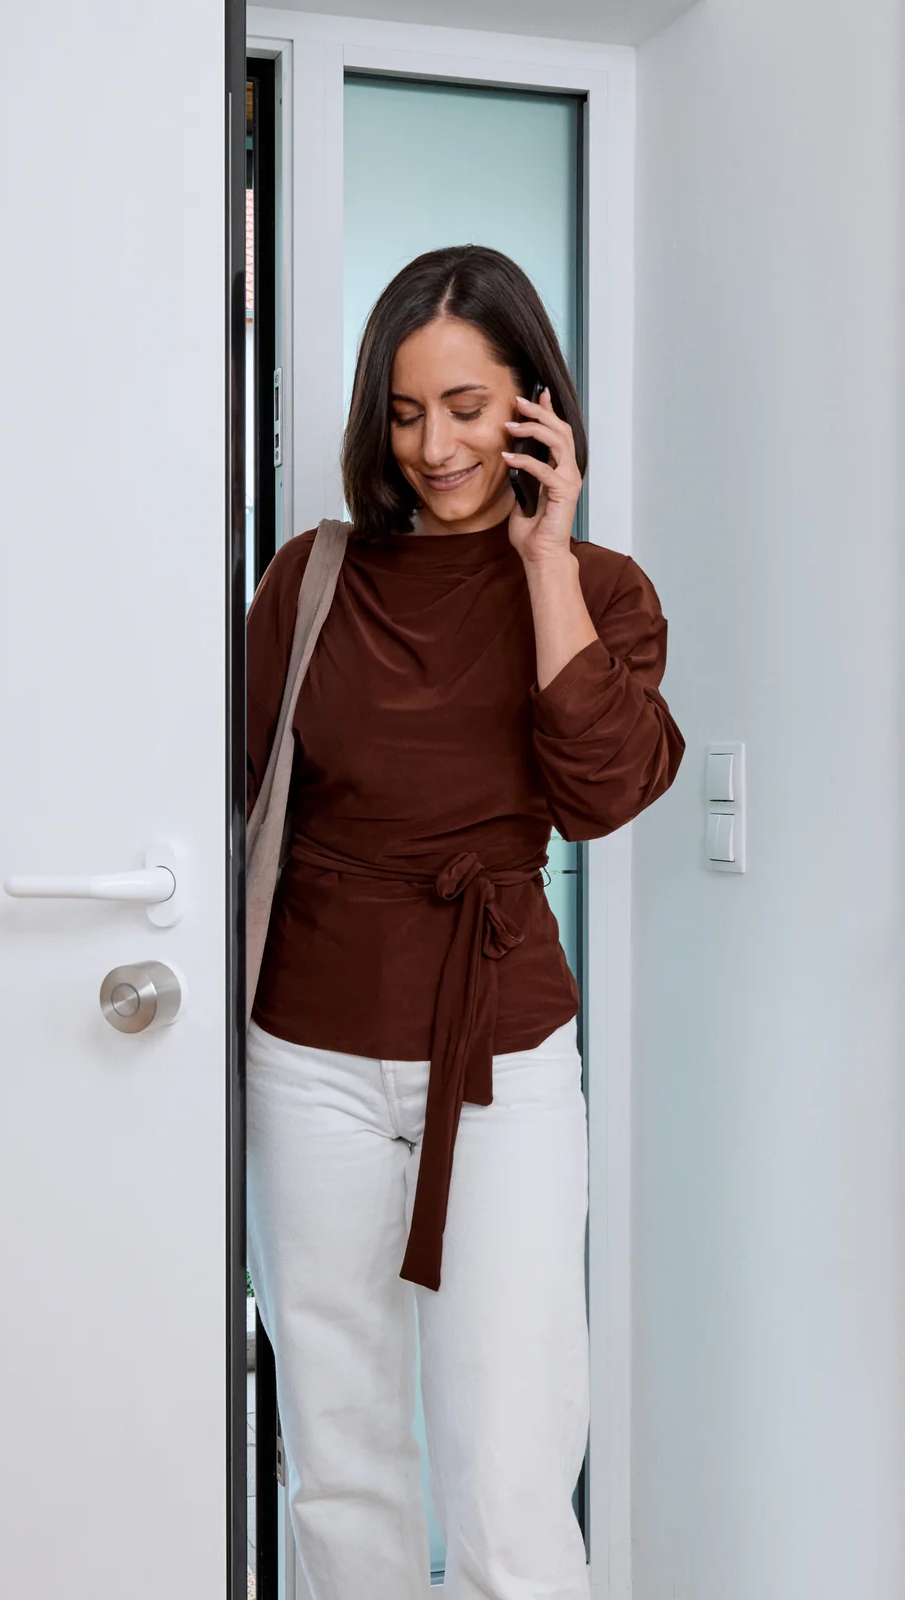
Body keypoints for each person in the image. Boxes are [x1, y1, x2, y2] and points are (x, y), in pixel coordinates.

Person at [245, 245, 683, 1599]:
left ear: (535, 408)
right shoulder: (312, 578)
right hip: (307, 1051)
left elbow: (605, 792)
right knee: (343, 1460)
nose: (435, 445)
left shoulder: (603, 591)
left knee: (507, 1471)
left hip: (501, 1052)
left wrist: (545, 560)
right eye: (405, 410)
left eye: (469, 407)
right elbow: (226, 790)